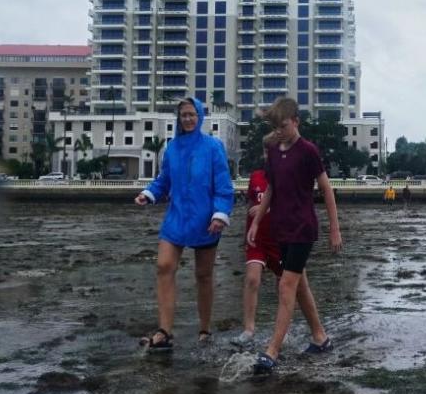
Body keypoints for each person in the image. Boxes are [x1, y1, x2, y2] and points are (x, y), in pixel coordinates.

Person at [247, 97, 343, 374]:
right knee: (299, 285)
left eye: (284, 125)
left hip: (303, 229)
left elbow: (326, 189)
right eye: (276, 126)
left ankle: (272, 351)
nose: (279, 131)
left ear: (296, 122)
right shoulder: (275, 151)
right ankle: (320, 337)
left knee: (286, 286)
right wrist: (256, 223)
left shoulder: (308, 151)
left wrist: (334, 228)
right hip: (281, 227)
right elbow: (271, 190)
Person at [135, 98, 234, 352]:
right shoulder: (172, 148)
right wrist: (149, 194)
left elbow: (223, 186)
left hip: (206, 220)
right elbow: (164, 179)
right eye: (183, 115)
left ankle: (204, 330)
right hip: (177, 217)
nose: (188, 119)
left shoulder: (213, 147)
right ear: (179, 119)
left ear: (200, 116)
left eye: (192, 114)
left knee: (203, 275)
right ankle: (165, 331)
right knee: (164, 266)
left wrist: (219, 214)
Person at [234, 133, 282, 346]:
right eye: (266, 150)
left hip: (280, 240)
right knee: (252, 279)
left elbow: (293, 205)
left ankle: (281, 328)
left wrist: (267, 208)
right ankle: (249, 329)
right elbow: (250, 205)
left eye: (273, 150)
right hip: (256, 240)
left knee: (283, 286)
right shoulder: (255, 177)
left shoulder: (285, 177)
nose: (268, 154)